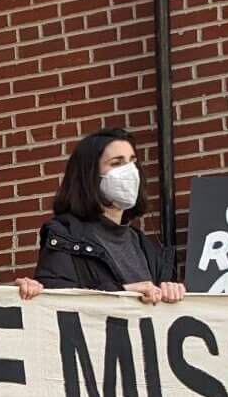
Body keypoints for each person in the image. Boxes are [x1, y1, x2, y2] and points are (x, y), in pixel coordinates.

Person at [19, 129, 184, 305]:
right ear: (90, 175)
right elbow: (56, 303)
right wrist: (123, 293)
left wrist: (171, 292)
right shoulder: (64, 237)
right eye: (116, 163)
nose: (129, 171)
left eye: (132, 162)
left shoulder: (147, 248)